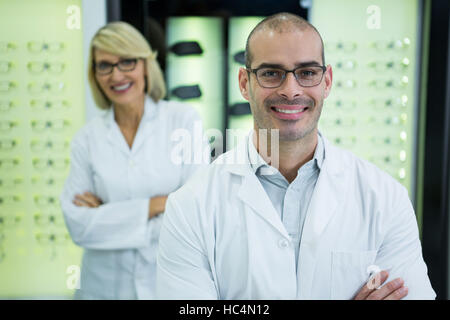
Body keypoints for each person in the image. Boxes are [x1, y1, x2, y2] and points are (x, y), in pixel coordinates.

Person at [155, 13, 436, 300]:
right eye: (271, 73)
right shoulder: (191, 206)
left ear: (326, 81)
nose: (290, 90)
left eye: (307, 73)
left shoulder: (385, 198)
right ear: (243, 83)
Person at [60, 21, 209, 299]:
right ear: (94, 74)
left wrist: (108, 215)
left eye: (127, 62)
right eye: (104, 65)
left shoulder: (183, 121)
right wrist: (156, 205)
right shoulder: (87, 139)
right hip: (103, 289)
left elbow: (196, 213)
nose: (116, 75)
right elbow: (79, 226)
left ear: (145, 65)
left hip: (167, 286)